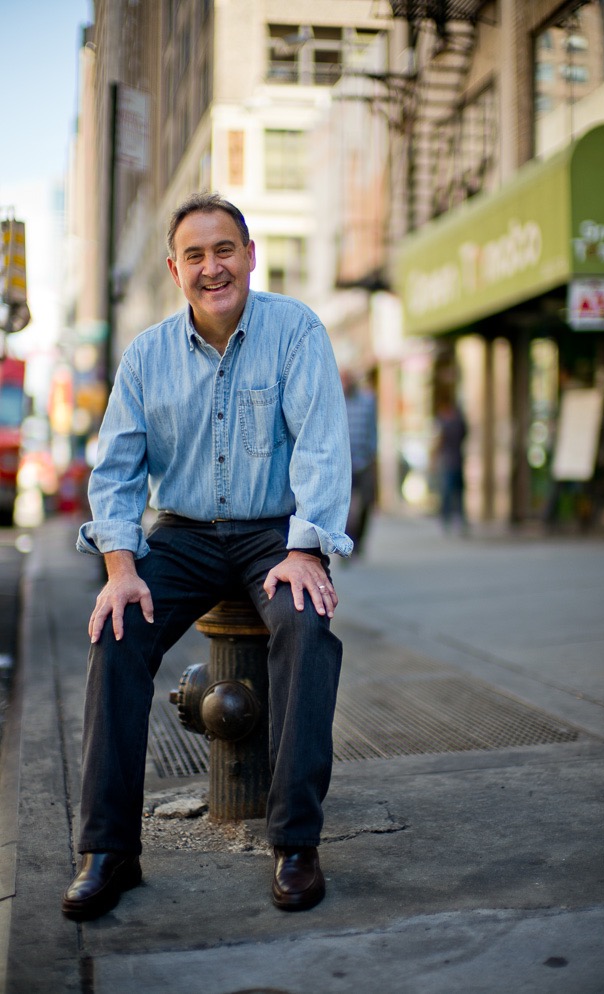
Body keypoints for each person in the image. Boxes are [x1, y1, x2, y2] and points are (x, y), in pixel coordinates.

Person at [61, 192, 353, 921]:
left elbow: (322, 444)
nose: (212, 266)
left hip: (274, 534)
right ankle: (109, 851)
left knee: (306, 625)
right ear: (174, 268)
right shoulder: (147, 356)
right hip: (182, 533)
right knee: (117, 630)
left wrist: (305, 547)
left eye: (225, 250)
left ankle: (294, 842)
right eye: (195, 255)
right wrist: (120, 568)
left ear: (250, 257)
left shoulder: (295, 330)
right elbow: (119, 471)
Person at [340, 369, 377, 556]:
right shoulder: (335, 401)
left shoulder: (368, 401)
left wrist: (372, 453)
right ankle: (347, 541)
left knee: (365, 503)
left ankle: (359, 539)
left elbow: (373, 428)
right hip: (342, 465)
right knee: (345, 506)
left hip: (364, 461)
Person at [433, 397, 467, 532]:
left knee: (450, 492)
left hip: (450, 461)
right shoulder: (458, 421)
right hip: (454, 460)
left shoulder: (448, 423)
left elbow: (439, 441)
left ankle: (450, 518)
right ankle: (456, 519)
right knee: (455, 492)